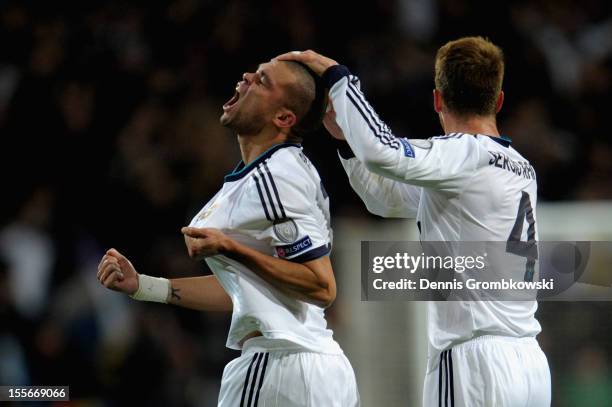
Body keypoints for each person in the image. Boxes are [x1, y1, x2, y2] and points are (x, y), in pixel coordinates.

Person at [277, 37, 551, 406]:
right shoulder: (520, 168)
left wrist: (340, 80)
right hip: (529, 363)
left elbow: (383, 151)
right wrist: (346, 142)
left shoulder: (463, 153)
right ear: (498, 100)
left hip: (476, 363)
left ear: (438, 99)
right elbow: (385, 199)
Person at [96, 59, 360, 407]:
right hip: (307, 367)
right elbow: (245, 287)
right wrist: (143, 286)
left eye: (263, 81)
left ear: (283, 118)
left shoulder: (276, 177)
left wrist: (231, 248)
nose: (247, 77)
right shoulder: (271, 173)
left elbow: (322, 286)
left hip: (281, 366)